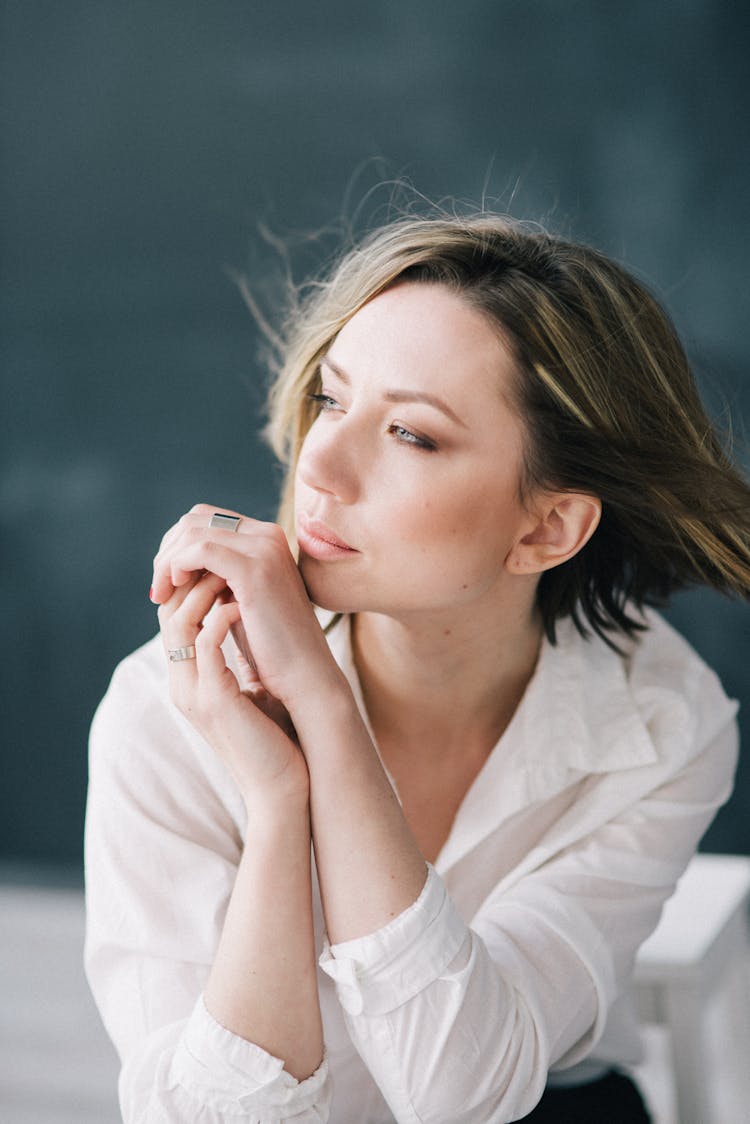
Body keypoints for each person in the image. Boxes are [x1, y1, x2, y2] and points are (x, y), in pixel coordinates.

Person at [85, 211, 750, 1124]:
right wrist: (281, 804)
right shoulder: (169, 707)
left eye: (412, 436)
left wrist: (324, 711)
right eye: (330, 398)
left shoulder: (661, 725)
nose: (318, 461)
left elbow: (463, 1096)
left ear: (546, 527)